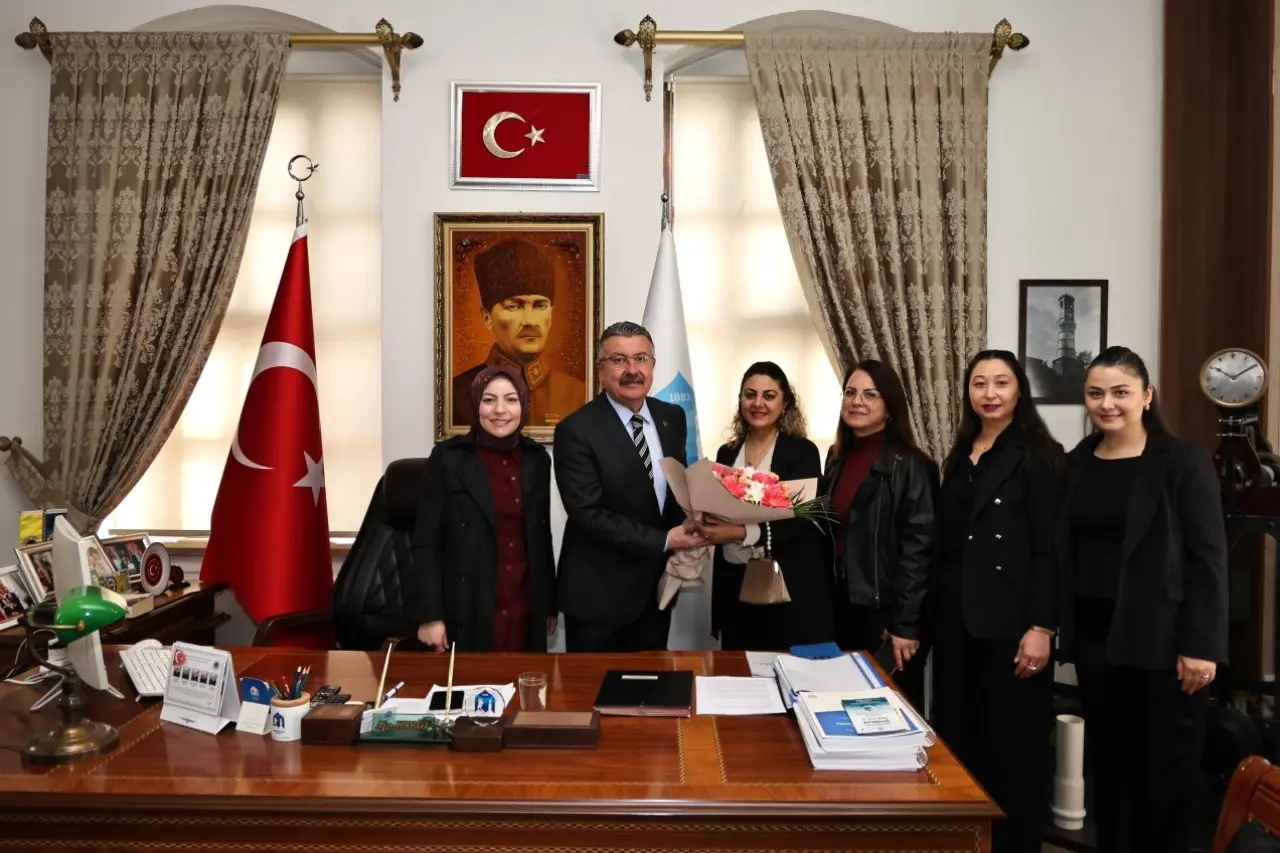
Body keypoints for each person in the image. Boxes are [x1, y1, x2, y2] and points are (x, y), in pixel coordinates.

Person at [1058, 346, 1227, 853]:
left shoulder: (1182, 461)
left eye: (1120, 392)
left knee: (1161, 782)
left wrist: (1201, 646)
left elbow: (1208, 559)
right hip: (1096, 643)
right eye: (1095, 393)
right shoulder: (1076, 463)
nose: (1106, 403)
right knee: (1110, 775)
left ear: (1147, 396)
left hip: (1162, 644)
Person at [932, 350, 1065, 853]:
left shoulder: (1039, 455)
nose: (989, 393)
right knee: (959, 743)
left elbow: (1050, 549)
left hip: (1013, 627)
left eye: (1001, 383)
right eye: (979, 383)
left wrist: (1042, 627)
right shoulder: (960, 453)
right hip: (955, 623)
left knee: (1014, 751)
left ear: (1019, 391)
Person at [554, 321, 702, 652]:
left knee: (653, 683)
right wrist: (665, 540)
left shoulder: (672, 418)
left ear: (653, 364)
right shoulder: (576, 430)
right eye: (619, 360)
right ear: (601, 368)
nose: (632, 370)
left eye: (641, 358)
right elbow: (587, 514)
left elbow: (675, 492)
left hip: (655, 593)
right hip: (598, 601)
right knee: (592, 685)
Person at [407, 365, 557, 652]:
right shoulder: (447, 458)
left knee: (523, 680)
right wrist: (430, 616)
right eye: (489, 400)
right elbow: (426, 542)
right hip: (468, 602)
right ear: (476, 404)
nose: (500, 410)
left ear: (524, 405)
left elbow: (541, 535)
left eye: (511, 399)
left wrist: (548, 603)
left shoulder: (537, 459)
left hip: (525, 602)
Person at [822, 359, 936, 710]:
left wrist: (905, 624)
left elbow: (919, 550)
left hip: (885, 614)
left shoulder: (913, 465)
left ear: (890, 406)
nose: (857, 401)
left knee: (887, 712)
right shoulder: (836, 459)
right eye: (850, 392)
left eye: (870, 394)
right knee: (842, 708)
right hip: (841, 606)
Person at [701, 362, 833, 650]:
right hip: (735, 585)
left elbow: (803, 520)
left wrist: (741, 532)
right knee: (739, 669)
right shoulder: (727, 452)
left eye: (769, 396)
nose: (757, 403)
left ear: (785, 404)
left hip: (786, 587)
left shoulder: (802, 451)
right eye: (750, 395)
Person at [451, 238, 587, 429]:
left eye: (540, 306)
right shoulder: (456, 396)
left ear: (551, 314)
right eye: (514, 307)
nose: (530, 321)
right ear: (487, 318)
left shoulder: (580, 396)